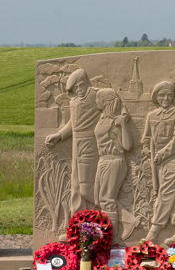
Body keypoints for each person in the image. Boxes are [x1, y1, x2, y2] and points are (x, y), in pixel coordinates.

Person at [45, 68, 100, 221]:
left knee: (87, 188)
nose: (78, 91)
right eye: (75, 89)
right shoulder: (74, 101)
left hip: (91, 144)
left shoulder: (97, 95)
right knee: (75, 186)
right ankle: (76, 225)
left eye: (80, 87)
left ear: (85, 83)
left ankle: (111, 215)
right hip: (77, 144)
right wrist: (59, 135)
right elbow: (73, 123)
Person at [142, 80, 175, 243]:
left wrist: (162, 154)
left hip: (174, 157)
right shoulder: (151, 115)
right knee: (169, 193)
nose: (166, 98)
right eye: (162, 95)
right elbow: (146, 138)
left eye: (169, 95)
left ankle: (155, 229)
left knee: (166, 192)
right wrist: (147, 149)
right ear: (156, 97)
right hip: (158, 160)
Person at [93, 88, 141, 242]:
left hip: (114, 160)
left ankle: (111, 239)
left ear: (105, 101)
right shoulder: (102, 118)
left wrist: (123, 123)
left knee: (107, 199)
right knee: (99, 199)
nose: (96, 101)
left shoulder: (116, 121)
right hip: (103, 160)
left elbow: (127, 146)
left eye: (98, 98)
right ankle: (129, 221)